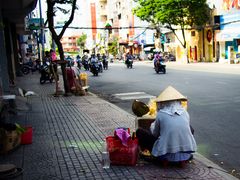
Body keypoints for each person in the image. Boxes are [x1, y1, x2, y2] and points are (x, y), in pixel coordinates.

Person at [136, 86, 197, 163]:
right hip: (186, 156)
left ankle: (147, 154)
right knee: (190, 128)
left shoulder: (161, 114)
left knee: (140, 132)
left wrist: (152, 126)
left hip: (164, 155)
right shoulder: (185, 113)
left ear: (163, 103)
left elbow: (155, 134)